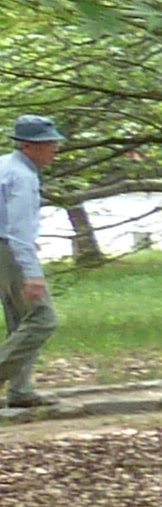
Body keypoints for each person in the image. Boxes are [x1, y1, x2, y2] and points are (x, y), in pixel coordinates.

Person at [1, 115, 60, 413]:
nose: (54, 149)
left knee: (19, 320)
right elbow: (19, 230)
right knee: (42, 318)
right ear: (27, 146)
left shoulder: (5, 165)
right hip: (9, 250)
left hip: (4, 249)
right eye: (47, 143)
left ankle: (21, 389)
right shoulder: (22, 177)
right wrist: (32, 273)